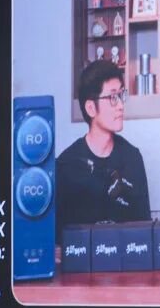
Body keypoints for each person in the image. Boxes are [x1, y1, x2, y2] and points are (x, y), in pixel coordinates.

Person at [55, 59, 151, 224]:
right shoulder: (67, 164)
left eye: (121, 95)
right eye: (113, 97)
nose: (121, 105)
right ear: (91, 108)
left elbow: (144, 227)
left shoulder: (132, 158)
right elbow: (59, 235)